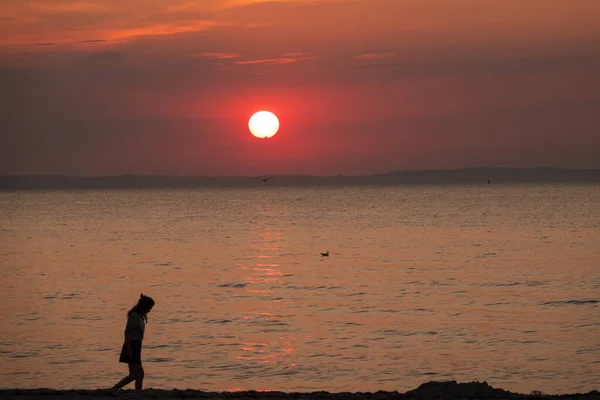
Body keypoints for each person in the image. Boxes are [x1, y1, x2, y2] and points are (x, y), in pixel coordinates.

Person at [112, 294, 155, 391]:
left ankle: (114, 389)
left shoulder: (140, 316)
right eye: (149, 307)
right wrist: (128, 348)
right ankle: (137, 393)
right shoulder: (134, 315)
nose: (149, 310)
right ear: (144, 306)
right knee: (139, 374)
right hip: (132, 344)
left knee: (134, 375)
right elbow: (127, 332)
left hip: (137, 344)